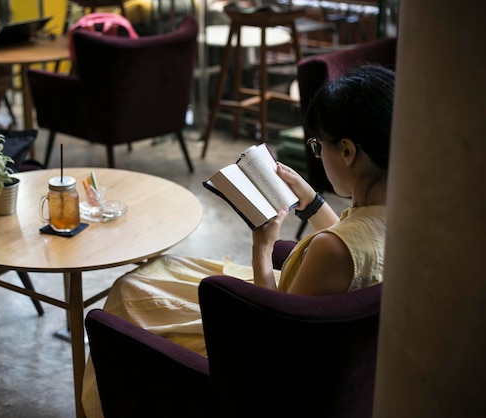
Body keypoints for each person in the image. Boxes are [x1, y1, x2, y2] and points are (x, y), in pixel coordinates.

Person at [82, 63, 394, 416]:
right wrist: (310, 202)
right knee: (160, 274)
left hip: (261, 366)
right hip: (334, 363)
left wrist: (262, 247)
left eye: (319, 144)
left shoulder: (330, 250)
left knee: (130, 290)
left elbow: (274, 330)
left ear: (348, 151)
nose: (318, 154)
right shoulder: (404, 221)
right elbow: (354, 246)